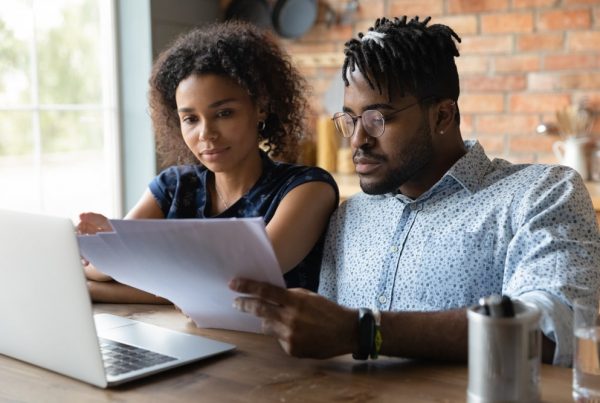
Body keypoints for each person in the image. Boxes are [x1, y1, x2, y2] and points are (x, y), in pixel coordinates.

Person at [230, 16, 600, 366]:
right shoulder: (348, 216)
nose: (357, 140)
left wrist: (363, 331)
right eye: (350, 119)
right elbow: (324, 337)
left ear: (442, 116)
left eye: (379, 119)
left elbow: (557, 330)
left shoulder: (540, 194)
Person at [78, 21, 338, 303]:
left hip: (272, 345)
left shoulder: (306, 188)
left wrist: (104, 279)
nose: (206, 134)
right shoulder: (173, 187)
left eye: (224, 113)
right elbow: (101, 268)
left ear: (261, 107)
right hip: (183, 337)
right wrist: (110, 247)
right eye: (190, 119)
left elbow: (240, 282)